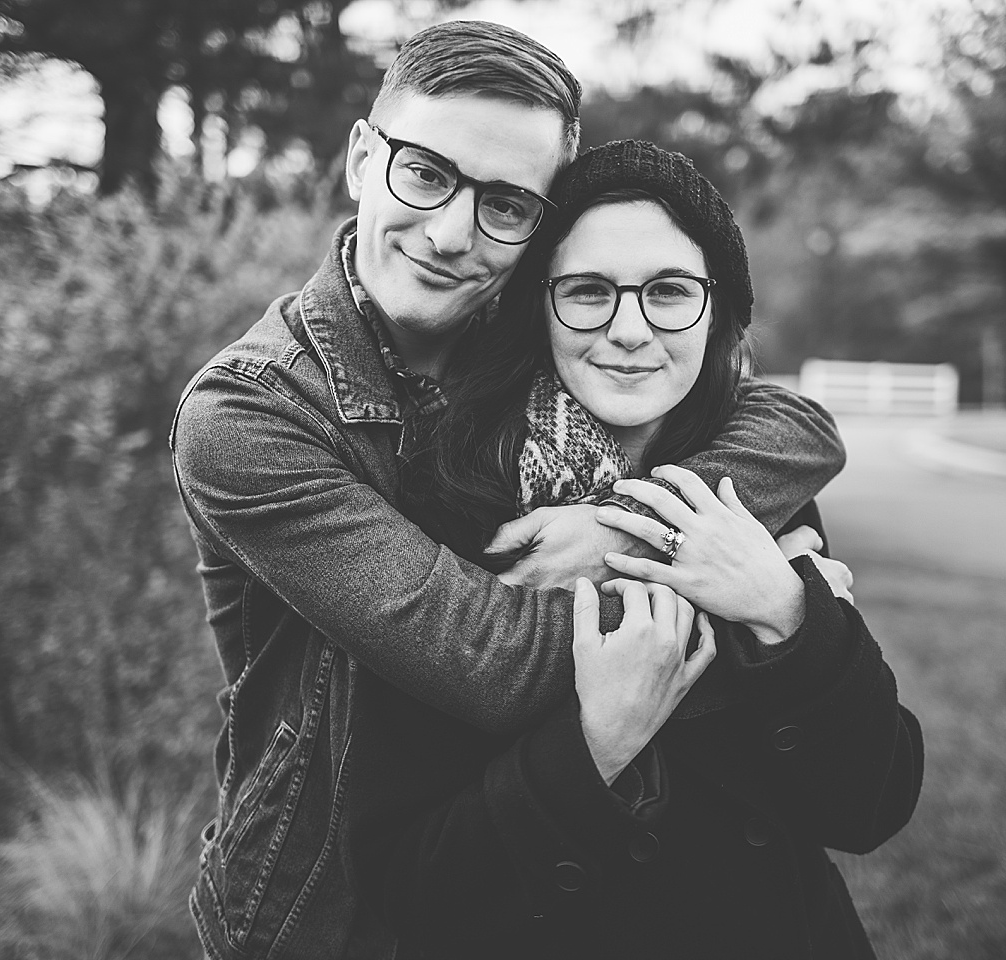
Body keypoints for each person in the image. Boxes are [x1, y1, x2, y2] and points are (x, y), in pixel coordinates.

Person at [169, 23, 846, 960]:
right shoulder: (251, 416)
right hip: (333, 897)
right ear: (363, 158)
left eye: (506, 204)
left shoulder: (529, 330)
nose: (452, 234)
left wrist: (616, 526)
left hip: (517, 870)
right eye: (426, 174)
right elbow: (500, 664)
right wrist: (772, 609)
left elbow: (793, 424)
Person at [348, 140, 924, 959]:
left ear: (715, 307)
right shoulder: (449, 500)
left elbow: (871, 805)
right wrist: (597, 741)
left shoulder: (745, 495)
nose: (629, 331)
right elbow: (414, 888)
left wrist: (785, 611)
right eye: (586, 291)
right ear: (534, 306)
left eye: (667, 292)